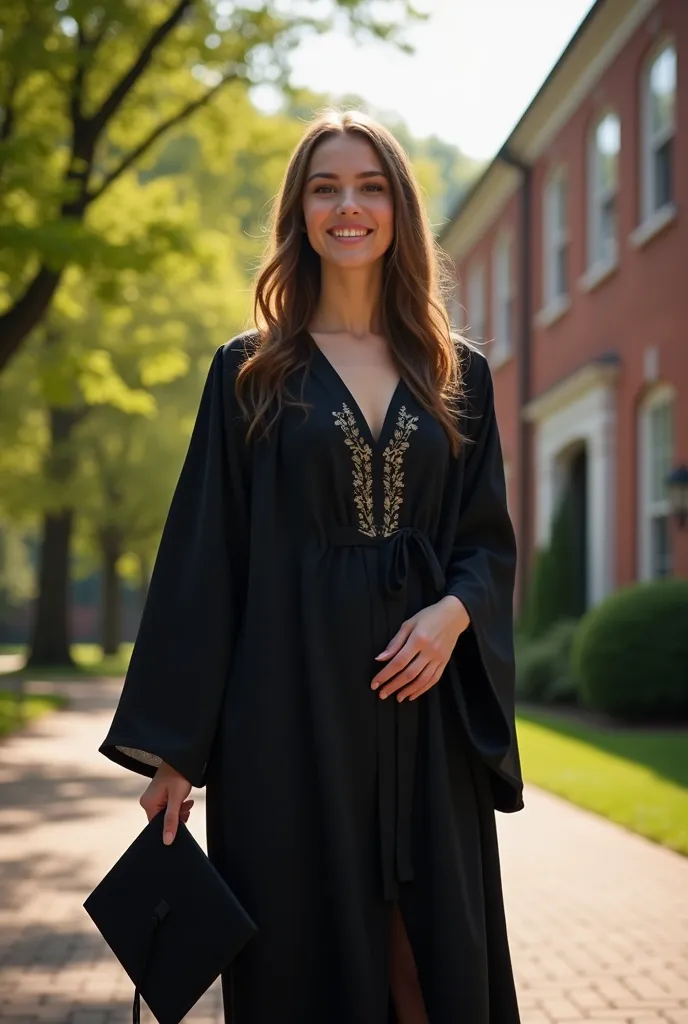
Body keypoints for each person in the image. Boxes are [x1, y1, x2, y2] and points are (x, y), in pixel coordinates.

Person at [99, 108, 524, 1024]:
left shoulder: (459, 372)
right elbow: (205, 559)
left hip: (425, 715)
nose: (349, 206)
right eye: (325, 188)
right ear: (299, 212)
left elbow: (485, 543)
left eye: (370, 187)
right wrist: (176, 752)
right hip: (284, 716)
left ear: (399, 210)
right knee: (303, 963)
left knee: (429, 962)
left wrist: (453, 615)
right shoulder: (250, 372)